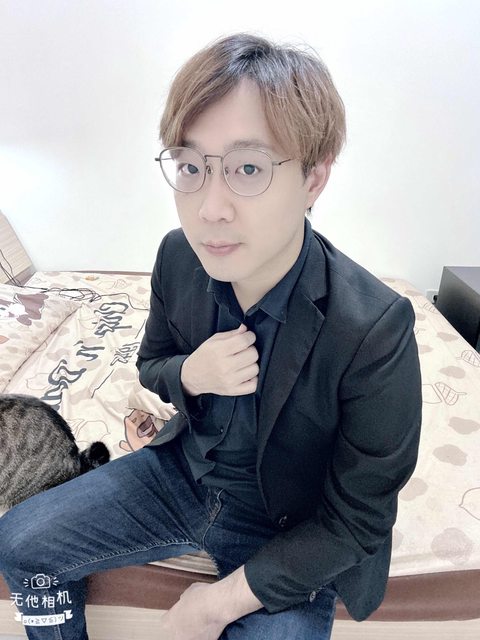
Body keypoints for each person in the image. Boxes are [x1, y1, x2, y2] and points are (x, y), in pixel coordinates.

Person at [0, 32, 422, 640]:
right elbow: (153, 364)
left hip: (288, 527)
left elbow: (357, 522)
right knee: (18, 541)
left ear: (314, 179)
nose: (209, 209)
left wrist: (213, 605)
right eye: (191, 168)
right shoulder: (178, 257)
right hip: (180, 474)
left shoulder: (375, 329)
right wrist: (190, 374)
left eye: (248, 168)